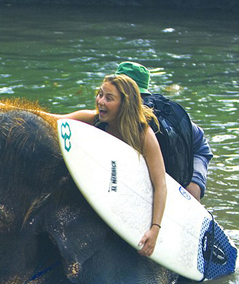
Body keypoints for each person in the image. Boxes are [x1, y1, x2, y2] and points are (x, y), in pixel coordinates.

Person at [47, 74, 166, 257]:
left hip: (132, 195)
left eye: (109, 98)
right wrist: (5, 108)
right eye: (100, 94)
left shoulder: (143, 134)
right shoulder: (93, 120)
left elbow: (160, 185)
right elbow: (52, 119)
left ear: (124, 104)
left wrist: (155, 230)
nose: (100, 101)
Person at [114, 61, 213, 201]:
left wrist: (195, 182)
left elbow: (199, 140)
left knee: (190, 193)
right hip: (165, 153)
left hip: (197, 148)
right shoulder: (112, 110)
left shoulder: (158, 116)